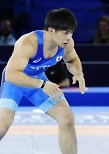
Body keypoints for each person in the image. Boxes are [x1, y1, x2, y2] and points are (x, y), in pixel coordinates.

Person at [0, 8, 86, 154]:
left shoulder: (67, 44)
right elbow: (11, 75)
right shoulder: (29, 43)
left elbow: (72, 59)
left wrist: (78, 73)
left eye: (71, 32)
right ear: (51, 30)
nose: (69, 37)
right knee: (3, 125)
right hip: (15, 82)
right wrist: (42, 84)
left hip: (39, 80)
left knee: (67, 118)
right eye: (66, 33)